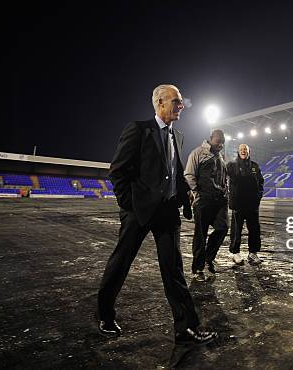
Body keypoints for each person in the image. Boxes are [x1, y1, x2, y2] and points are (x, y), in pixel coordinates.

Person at [97, 84, 216, 346]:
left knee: (173, 270)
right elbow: (117, 171)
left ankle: (186, 328)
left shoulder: (177, 136)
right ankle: (104, 315)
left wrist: (185, 198)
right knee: (121, 263)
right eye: (177, 101)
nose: (181, 106)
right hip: (138, 211)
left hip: (166, 212)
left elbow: (174, 171)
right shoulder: (138, 130)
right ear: (161, 103)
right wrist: (128, 204)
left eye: (181, 102)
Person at [184, 129, 229, 278]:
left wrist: (225, 191)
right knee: (200, 235)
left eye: (223, 143)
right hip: (204, 201)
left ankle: (209, 258)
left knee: (223, 227)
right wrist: (197, 193)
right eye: (218, 142)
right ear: (211, 139)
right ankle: (198, 268)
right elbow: (189, 174)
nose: (221, 145)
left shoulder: (220, 156)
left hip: (220, 201)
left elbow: (223, 177)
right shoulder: (197, 153)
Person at [226, 144, 264, 265]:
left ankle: (253, 253)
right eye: (241, 149)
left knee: (254, 229)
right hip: (238, 204)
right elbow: (223, 180)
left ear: (249, 152)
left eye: (245, 150)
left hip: (252, 204)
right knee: (236, 230)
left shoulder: (254, 166)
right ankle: (235, 253)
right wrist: (230, 197)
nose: (243, 151)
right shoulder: (231, 166)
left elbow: (261, 182)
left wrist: (258, 196)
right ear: (238, 151)